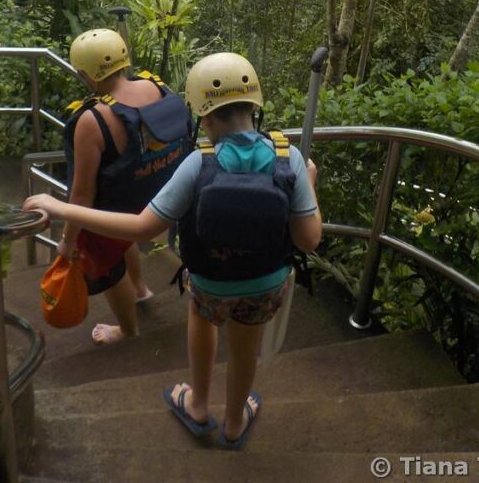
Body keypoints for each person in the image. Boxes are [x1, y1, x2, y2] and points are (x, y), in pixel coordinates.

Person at [25, 51, 322, 450]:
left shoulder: (199, 163)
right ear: (255, 105)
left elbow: (143, 226)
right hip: (265, 282)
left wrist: (61, 208)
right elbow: (308, 240)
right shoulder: (289, 158)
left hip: (209, 281)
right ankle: (235, 423)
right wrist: (310, 184)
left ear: (202, 113)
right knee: (245, 346)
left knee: (202, 320)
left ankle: (198, 405)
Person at [59, 28, 192, 345]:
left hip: (121, 204)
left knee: (105, 252)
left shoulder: (94, 120)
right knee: (124, 234)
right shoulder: (157, 86)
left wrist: (67, 240)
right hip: (158, 195)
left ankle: (128, 330)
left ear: (86, 75)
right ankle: (141, 289)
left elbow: (82, 194)